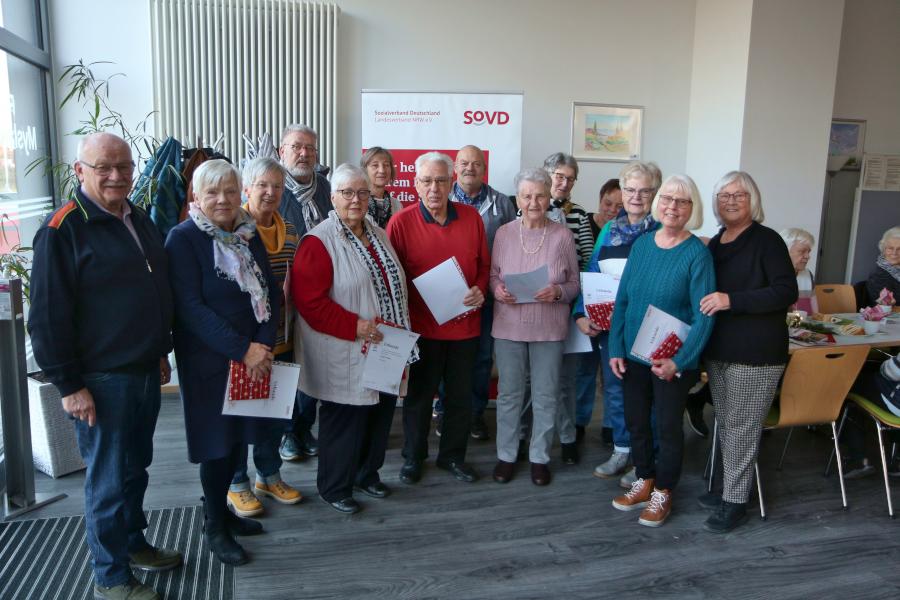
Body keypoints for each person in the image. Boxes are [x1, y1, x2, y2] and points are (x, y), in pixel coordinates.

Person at [28, 132, 180, 600]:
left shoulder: (138, 218)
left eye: (125, 167)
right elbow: (47, 318)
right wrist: (69, 386)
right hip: (99, 380)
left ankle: (134, 545)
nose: (117, 176)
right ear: (80, 171)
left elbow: (152, 291)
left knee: (136, 470)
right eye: (104, 168)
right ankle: (110, 576)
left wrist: (159, 351)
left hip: (141, 370)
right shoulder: (62, 229)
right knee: (108, 479)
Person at [166, 159, 281, 566]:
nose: (223, 200)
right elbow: (191, 310)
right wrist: (243, 350)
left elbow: (271, 293)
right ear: (196, 196)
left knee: (238, 440)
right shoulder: (182, 239)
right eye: (212, 192)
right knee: (217, 446)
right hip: (209, 364)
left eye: (231, 191)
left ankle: (226, 513)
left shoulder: (247, 235)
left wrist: (263, 347)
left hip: (251, 360)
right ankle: (215, 524)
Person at [292, 164, 414, 513]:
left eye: (362, 192)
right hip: (344, 345)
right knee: (344, 420)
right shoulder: (318, 241)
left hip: (385, 345)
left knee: (378, 414)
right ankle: (335, 487)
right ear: (333, 197)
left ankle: (367, 474)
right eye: (347, 192)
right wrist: (355, 326)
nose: (356, 199)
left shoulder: (376, 231)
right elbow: (310, 304)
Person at [608, 174, 715, 528]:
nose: (673, 206)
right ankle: (644, 478)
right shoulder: (641, 245)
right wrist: (615, 347)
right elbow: (622, 299)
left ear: (692, 209)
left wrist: (679, 362)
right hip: (634, 355)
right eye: (668, 199)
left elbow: (704, 317)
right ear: (658, 203)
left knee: (667, 428)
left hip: (671, 360)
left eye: (682, 201)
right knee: (637, 423)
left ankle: (663, 491)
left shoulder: (697, 254)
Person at [698, 171, 799, 533]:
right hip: (720, 349)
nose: (730, 200)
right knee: (726, 422)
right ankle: (729, 488)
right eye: (724, 195)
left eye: (738, 194)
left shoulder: (767, 240)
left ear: (752, 199)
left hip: (756, 353)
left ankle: (735, 502)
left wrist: (732, 300)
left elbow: (786, 291)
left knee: (741, 427)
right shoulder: (717, 243)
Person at [387, 151, 490, 484]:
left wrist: (479, 288)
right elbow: (390, 276)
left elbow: (485, 267)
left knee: (460, 399)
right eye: (427, 181)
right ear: (416, 185)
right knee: (418, 399)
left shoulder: (472, 218)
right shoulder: (400, 222)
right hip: (422, 331)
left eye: (441, 181)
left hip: (465, 328)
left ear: (452, 183)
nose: (434, 188)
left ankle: (452, 457)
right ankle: (413, 457)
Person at [574, 161, 662, 487]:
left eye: (644, 190)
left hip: (648, 328)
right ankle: (623, 450)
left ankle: (645, 458)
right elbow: (593, 272)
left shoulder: (661, 232)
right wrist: (581, 313)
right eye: (630, 189)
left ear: (655, 192)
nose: (636, 196)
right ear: (621, 192)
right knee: (614, 390)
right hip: (611, 327)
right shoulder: (611, 230)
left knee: (646, 395)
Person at [490, 168, 579, 485]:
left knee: (546, 395)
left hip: (549, 328)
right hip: (509, 325)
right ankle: (506, 455)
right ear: (518, 198)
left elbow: (573, 284)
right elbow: (494, 277)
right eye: (527, 196)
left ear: (548, 196)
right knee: (509, 395)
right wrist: (497, 290)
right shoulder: (503, 234)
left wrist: (558, 292)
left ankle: (539, 457)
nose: (533, 202)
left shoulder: (563, 236)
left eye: (540, 195)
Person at [226, 157, 303, 518]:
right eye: (262, 185)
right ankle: (237, 482)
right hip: (246, 344)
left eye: (277, 186)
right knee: (242, 414)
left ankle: (269, 475)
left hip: (282, 336)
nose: (271, 192)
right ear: (247, 188)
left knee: (274, 412)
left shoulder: (289, 229)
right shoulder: (230, 229)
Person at [433, 145, 517, 441]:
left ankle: (476, 413)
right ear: (455, 167)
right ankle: (444, 410)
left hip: (487, 295)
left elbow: (512, 248)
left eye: (476, 164)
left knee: (482, 358)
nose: (470, 168)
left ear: (485, 168)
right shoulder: (442, 195)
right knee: (447, 358)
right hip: (447, 295)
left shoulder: (502, 203)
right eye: (464, 163)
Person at [277, 124, 331, 462]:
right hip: (283, 293)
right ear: (282, 151)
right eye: (297, 147)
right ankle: (285, 434)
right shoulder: (273, 187)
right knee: (285, 363)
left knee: (314, 362)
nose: (304, 153)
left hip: (321, 292)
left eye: (310, 147)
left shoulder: (326, 188)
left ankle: (303, 427)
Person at [544, 152, 593, 465]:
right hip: (534, 307)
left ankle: (568, 438)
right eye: (558, 176)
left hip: (568, 305)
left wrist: (575, 305)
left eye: (569, 178)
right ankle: (533, 438)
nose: (563, 183)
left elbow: (588, 263)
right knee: (534, 380)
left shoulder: (579, 216)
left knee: (566, 380)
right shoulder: (525, 208)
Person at [575, 177, 623, 445]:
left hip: (614, 308)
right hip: (587, 303)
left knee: (611, 373)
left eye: (619, 205)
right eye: (608, 203)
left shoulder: (628, 230)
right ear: (600, 199)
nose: (612, 209)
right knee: (584, 369)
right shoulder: (585, 222)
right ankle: (580, 420)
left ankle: (609, 424)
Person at [361, 146, 403, 228]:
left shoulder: (396, 205)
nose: (382, 170)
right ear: (365, 170)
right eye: (375, 165)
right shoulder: (358, 201)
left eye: (386, 165)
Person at [866, 226, 900, 303]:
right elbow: (887, 304)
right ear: (883, 250)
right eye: (890, 248)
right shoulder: (878, 275)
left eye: (899, 249)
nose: (894, 253)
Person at [779, 227, 816, 293]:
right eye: (802, 251)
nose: (808, 256)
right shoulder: (765, 276)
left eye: (809, 252)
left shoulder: (808, 275)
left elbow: (811, 303)